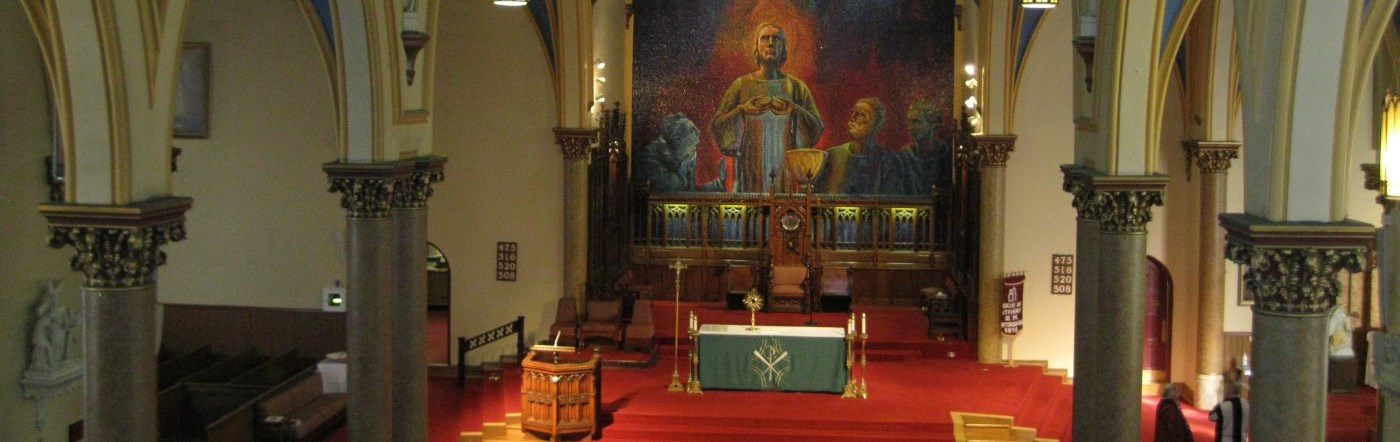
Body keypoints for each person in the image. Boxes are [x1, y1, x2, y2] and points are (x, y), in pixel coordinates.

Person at [711, 22, 824, 193]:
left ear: (783, 48)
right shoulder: (741, 85)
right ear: (756, 47)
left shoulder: (796, 87)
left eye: (776, 39)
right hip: (750, 165)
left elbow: (816, 127)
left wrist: (795, 110)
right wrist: (743, 110)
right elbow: (719, 124)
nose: (770, 43)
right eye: (765, 38)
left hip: (785, 166)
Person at [814, 97, 914, 195]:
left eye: (861, 115)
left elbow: (891, 199)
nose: (852, 118)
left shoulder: (890, 160)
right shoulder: (832, 156)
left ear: (876, 124)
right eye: (853, 113)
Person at [636, 113, 726, 192]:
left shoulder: (685, 155)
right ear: (678, 139)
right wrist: (683, 167)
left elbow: (691, 192)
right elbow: (670, 189)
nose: (698, 132)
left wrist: (719, 183)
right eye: (691, 130)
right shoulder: (649, 155)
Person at [898, 99, 952, 195]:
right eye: (909, 122)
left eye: (916, 122)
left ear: (932, 124)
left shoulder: (947, 155)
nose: (910, 128)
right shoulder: (904, 157)